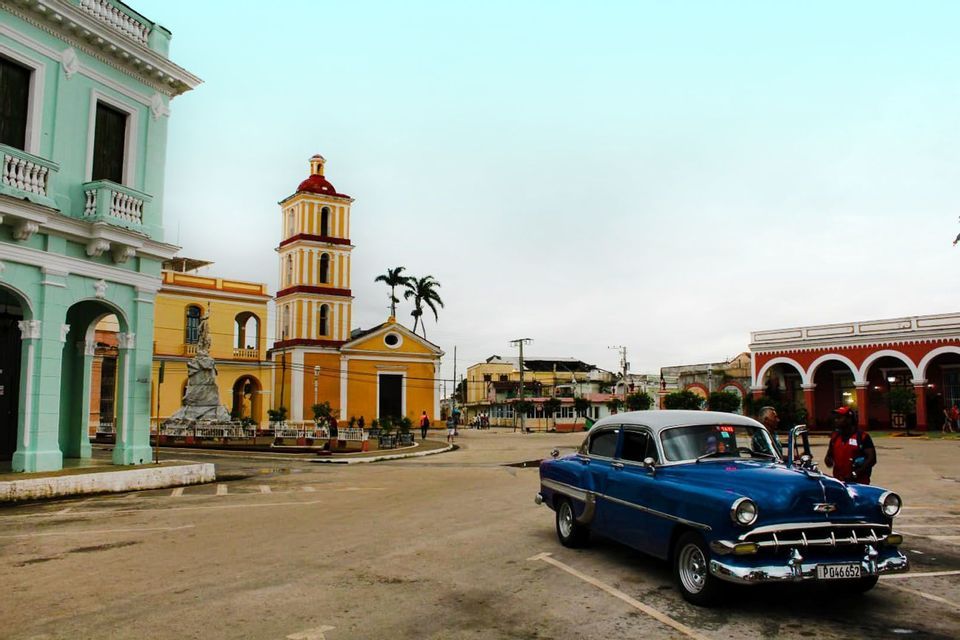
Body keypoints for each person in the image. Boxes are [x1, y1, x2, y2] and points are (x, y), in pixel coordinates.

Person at [824, 406, 876, 484]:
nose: (836, 420)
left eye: (839, 418)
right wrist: (828, 460)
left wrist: (855, 473)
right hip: (840, 482)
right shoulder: (835, 437)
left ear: (849, 419)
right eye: (836, 418)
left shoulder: (862, 437)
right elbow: (829, 456)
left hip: (859, 483)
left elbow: (871, 459)